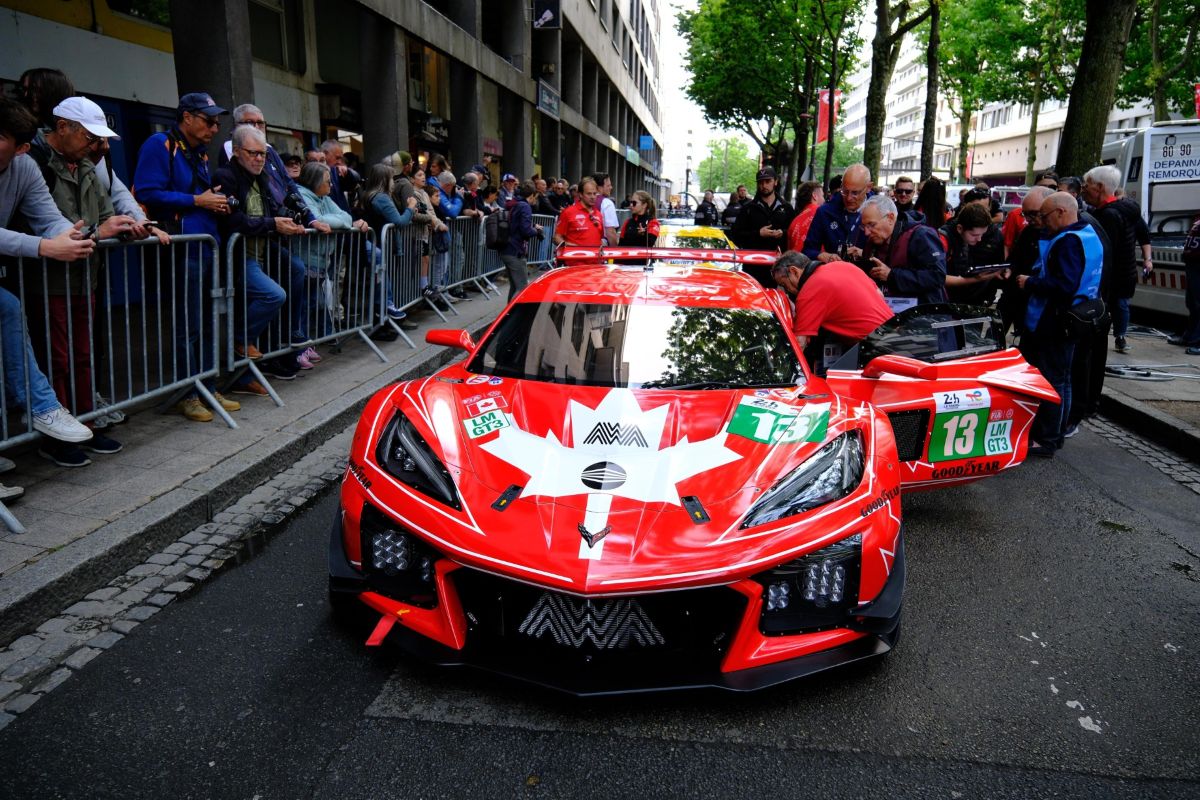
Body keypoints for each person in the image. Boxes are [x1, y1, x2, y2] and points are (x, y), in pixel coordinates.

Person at [25, 96, 147, 466]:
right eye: (89, 137)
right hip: (48, 279)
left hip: (84, 277)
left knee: (83, 354)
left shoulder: (88, 167)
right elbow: (49, 223)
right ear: (62, 128)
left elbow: (107, 214)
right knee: (57, 358)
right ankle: (56, 436)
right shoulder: (36, 164)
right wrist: (101, 229)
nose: (96, 145)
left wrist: (127, 227)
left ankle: (85, 423)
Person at [0, 96, 98, 489]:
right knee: (7, 307)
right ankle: (42, 406)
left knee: (7, 309)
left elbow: (46, 215)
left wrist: (68, 233)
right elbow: (38, 238)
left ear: (22, 147)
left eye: (1, 137)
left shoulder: (22, 167)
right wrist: (44, 247)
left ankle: (41, 407)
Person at [133, 92, 240, 423]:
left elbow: (199, 197)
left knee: (208, 321)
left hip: (207, 245)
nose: (214, 128)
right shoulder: (159, 144)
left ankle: (207, 385)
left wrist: (215, 201)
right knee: (188, 323)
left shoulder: (200, 153)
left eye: (217, 123)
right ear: (187, 117)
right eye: (209, 121)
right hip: (182, 248)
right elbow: (146, 192)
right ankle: (187, 393)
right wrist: (197, 201)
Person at [1016, 192, 1104, 457]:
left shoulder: (1067, 242)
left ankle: (1047, 438)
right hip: (1077, 317)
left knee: (1052, 380)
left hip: (1057, 321)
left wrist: (1029, 282)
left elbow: (1064, 286)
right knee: (1062, 379)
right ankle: (1055, 434)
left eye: (1044, 216)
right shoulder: (1088, 233)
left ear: (1061, 212)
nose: (1041, 222)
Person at [212, 126, 306, 370]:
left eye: (262, 154)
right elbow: (234, 222)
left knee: (296, 270)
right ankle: (241, 340)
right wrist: (273, 223)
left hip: (264, 250)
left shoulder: (261, 178)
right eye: (253, 153)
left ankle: (290, 333)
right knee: (274, 294)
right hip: (240, 254)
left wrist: (291, 221)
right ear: (236, 152)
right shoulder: (225, 177)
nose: (259, 159)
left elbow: (273, 210)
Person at [770, 251, 892, 371]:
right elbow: (879, 295)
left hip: (874, 349)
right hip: (896, 333)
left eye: (785, 285)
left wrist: (774, 368)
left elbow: (799, 344)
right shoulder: (844, 265)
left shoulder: (809, 291)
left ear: (794, 271)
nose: (788, 291)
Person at [1082, 165, 1152, 354]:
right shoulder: (1123, 211)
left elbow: (1104, 252)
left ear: (1099, 187)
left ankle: (1118, 336)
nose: (1083, 189)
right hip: (1124, 274)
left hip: (1114, 278)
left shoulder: (1108, 215)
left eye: (1087, 185)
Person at [353, 164, 419, 330]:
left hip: (375, 243)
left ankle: (382, 317)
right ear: (384, 180)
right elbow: (399, 222)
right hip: (379, 245)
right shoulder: (381, 198)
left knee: (379, 280)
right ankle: (385, 313)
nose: (394, 183)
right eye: (391, 179)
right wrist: (410, 208)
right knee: (381, 279)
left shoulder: (368, 195)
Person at [860, 194, 948, 310]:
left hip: (922, 315)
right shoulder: (873, 242)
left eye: (871, 225)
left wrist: (892, 275)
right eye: (863, 226)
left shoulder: (921, 235)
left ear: (890, 218)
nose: (866, 232)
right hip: (886, 312)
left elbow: (937, 276)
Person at [996, 186, 1053, 338]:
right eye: (1025, 214)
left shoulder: (1061, 234)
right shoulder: (1029, 231)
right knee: (995, 333)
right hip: (1014, 293)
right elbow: (1015, 256)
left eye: (1033, 214)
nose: (1028, 219)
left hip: (1038, 298)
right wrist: (1009, 268)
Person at [731, 167, 795, 285]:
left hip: (779, 269)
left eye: (767, 181)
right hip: (753, 269)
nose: (764, 185)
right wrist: (758, 234)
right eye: (760, 182)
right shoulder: (748, 208)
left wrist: (783, 233)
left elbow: (794, 233)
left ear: (775, 182)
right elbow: (735, 235)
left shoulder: (786, 208)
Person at [941, 203, 1008, 306]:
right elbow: (937, 277)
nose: (979, 239)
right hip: (945, 301)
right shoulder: (943, 239)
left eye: (982, 234)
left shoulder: (966, 237)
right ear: (960, 228)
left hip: (964, 299)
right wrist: (975, 279)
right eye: (974, 235)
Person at [802, 163, 871, 263]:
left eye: (855, 193)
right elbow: (807, 251)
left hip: (865, 276)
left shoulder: (879, 212)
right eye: (845, 191)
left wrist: (865, 254)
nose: (849, 198)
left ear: (868, 187)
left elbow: (887, 257)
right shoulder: (825, 212)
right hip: (835, 273)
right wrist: (821, 255)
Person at [500, 181, 544, 301]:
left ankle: (508, 314)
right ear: (531, 196)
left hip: (507, 248)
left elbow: (517, 223)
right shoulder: (525, 206)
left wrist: (533, 225)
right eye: (535, 197)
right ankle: (513, 316)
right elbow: (526, 231)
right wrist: (536, 231)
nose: (536, 201)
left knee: (515, 286)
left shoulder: (514, 203)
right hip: (516, 250)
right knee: (522, 287)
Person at [553, 176, 605, 247]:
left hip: (595, 257)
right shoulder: (568, 212)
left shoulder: (599, 214)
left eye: (594, 193)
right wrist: (571, 247)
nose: (593, 197)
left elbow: (600, 239)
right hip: (575, 257)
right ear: (580, 194)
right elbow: (556, 238)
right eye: (589, 194)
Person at [786, 181, 825, 253]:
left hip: (795, 262)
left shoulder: (794, 222)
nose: (824, 200)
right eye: (822, 196)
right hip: (817, 263)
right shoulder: (822, 214)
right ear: (814, 196)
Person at [593, 172, 620, 246]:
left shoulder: (577, 202)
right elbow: (610, 232)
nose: (611, 187)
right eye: (608, 185)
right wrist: (615, 252)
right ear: (599, 187)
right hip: (600, 248)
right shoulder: (607, 203)